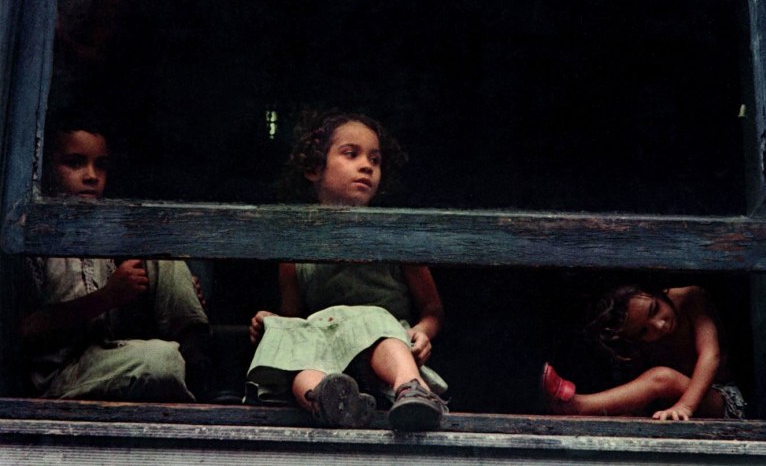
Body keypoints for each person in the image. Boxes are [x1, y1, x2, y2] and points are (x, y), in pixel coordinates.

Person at [246, 110, 448, 431]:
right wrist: (271, 322)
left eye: (376, 159)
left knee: (375, 323)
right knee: (293, 345)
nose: (367, 165)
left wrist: (424, 330)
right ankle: (325, 399)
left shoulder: (395, 234)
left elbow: (432, 307)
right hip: (326, 348)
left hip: (380, 353)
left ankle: (411, 389)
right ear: (314, 168)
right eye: (351, 154)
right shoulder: (295, 244)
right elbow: (294, 316)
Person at [18, 110, 212, 402]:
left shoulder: (103, 229)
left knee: (162, 254)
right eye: (75, 163)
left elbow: (114, 319)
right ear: (46, 167)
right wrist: (108, 297)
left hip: (107, 355)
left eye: (101, 166)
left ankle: (202, 365)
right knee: (161, 360)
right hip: (58, 375)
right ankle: (193, 374)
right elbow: (25, 330)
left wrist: (178, 292)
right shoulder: (30, 232)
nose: (91, 176)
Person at [540, 284, 745, 420]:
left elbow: (711, 355)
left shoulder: (692, 298)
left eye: (654, 309)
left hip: (724, 401)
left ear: (657, 290)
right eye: (644, 331)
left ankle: (577, 406)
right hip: (672, 405)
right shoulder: (640, 342)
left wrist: (685, 406)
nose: (660, 325)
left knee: (661, 377)